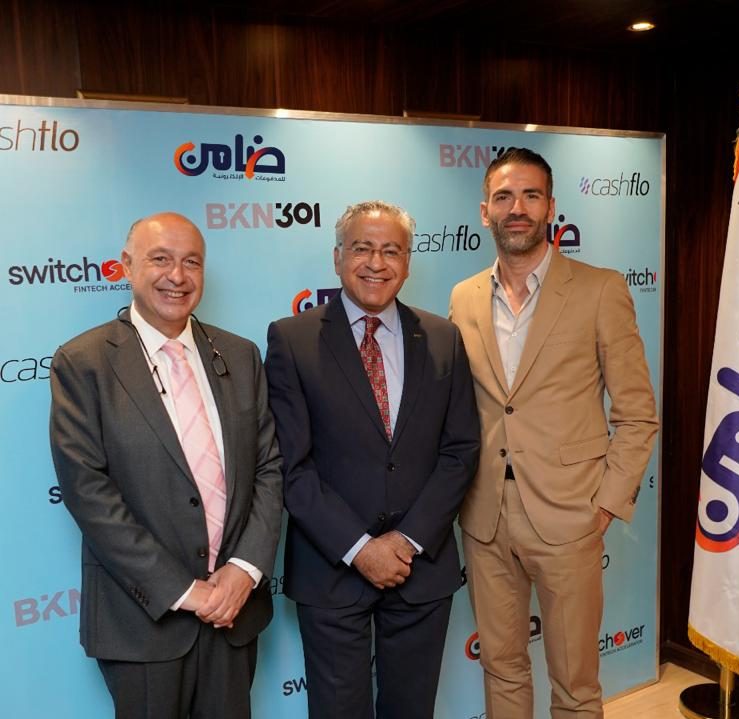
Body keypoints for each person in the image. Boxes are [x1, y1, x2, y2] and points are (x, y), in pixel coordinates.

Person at [449, 148, 659, 719]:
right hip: (485, 517)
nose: (517, 208)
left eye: (531, 195)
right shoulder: (464, 297)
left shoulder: (600, 290)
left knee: (575, 684)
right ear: (485, 211)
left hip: (571, 514)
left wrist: (607, 503)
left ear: (551, 207)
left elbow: (637, 413)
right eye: (503, 197)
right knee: (502, 668)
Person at [49, 211, 283, 719]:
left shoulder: (240, 355)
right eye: (160, 259)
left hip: (234, 614)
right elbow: (87, 491)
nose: (177, 276)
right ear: (126, 266)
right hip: (142, 623)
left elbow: (268, 467)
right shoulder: (84, 362)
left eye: (191, 262)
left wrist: (244, 570)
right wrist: (183, 590)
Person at [264, 200, 480, 719]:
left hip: (421, 568)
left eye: (391, 251)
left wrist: (405, 542)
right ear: (337, 257)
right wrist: (360, 549)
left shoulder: (444, 338)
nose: (376, 263)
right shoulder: (291, 339)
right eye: (362, 248)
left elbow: (460, 451)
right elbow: (292, 466)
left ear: (407, 262)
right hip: (332, 570)